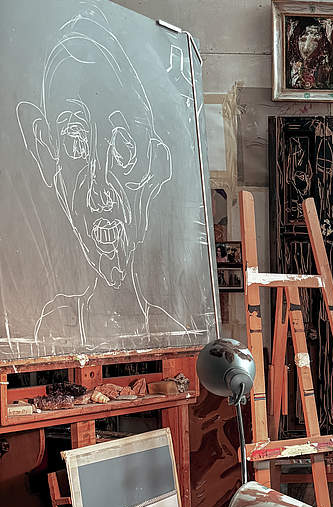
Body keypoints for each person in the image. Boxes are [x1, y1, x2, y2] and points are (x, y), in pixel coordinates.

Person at [16, 9, 198, 351]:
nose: (99, 193)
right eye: (76, 140)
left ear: (155, 166)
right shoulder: (50, 329)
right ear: (45, 149)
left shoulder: (178, 332)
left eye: (123, 148)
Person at [285, 18, 333, 91]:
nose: (306, 48)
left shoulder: (325, 68)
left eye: (315, 40)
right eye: (303, 40)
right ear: (295, 42)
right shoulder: (292, 66)